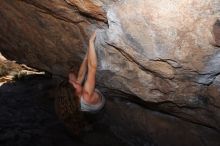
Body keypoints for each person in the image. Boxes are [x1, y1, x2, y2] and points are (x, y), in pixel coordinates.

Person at [68, 31, 105, 113]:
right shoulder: (86, 95)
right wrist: (91, 42)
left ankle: (72, 71)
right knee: (78, 81)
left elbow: (81, 76)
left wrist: (86, 56)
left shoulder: (74, 95)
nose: (75, 83)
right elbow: (92, 68)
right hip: (98, 102)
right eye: (73, 85)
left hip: (83, 99)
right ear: (76, 94)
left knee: (72, 76)